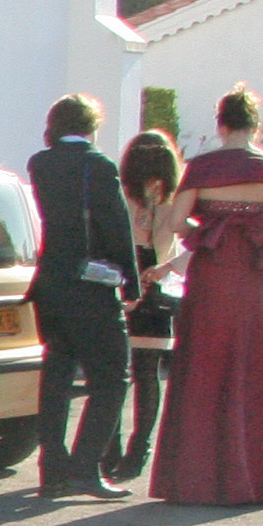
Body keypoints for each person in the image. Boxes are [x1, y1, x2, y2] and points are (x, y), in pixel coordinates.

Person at [148, 86, 263, 506]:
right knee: (254, 366)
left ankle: (194, 480)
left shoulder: (203, 167)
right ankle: (254, 481)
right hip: (253, 277)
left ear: (221, 124)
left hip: (212, 275)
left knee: (203, 366)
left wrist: (210, 231)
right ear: (255, 125)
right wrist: (253, 237)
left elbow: (176, 223)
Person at [26, 93, 133, 496]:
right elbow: (116, 228)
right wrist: (131, 282)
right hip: (91, 286)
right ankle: (85, 467)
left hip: (50, 283)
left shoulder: (41, 164)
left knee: (57, 375)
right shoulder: (99, 166)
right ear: (92, 126)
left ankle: (52, 468)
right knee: (111, 378)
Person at [116, 131, 181, 475]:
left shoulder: (122, 193)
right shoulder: (174, 198)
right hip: (156, 281)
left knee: (117, 372)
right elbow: (193, 242)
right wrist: (167, 268)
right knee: (146, 372)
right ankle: (139, 449)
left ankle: (112, 449)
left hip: (125, 280)